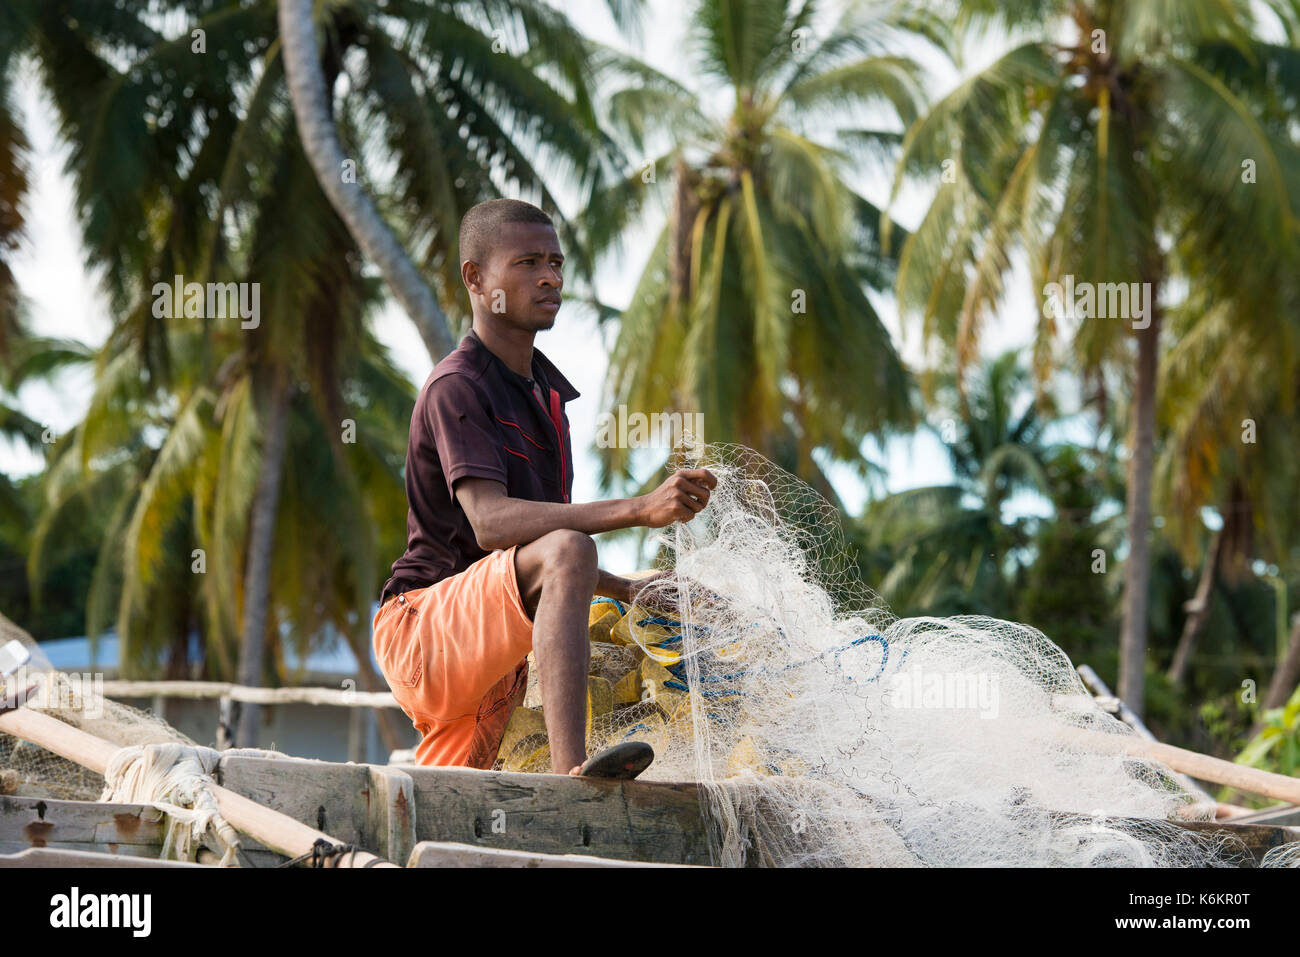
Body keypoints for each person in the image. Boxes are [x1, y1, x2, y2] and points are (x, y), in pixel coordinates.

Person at [372, 198, 717, 778]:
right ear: (476, 279)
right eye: (528, 262)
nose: (550, 277)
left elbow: (528, 564)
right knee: (569, 546)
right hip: (423, 635)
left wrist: (630, 589)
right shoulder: (455, 387)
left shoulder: (550, 402)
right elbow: (492, 525)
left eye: (556, 263)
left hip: (493, 663)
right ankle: (570, 773)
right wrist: (640, 508)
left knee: (458, 808)